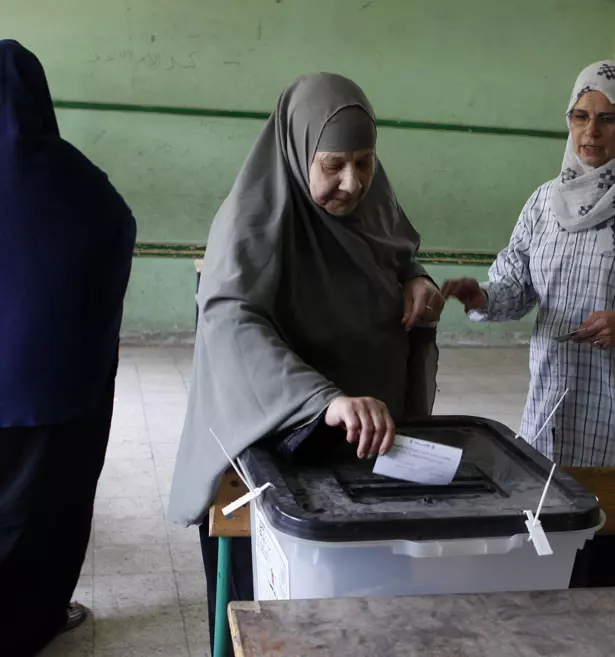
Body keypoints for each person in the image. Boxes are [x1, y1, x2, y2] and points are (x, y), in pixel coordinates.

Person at [166, 73, 443, 656]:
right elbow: (232, 322)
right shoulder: (251, 222)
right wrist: (322, 398)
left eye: (366, 162)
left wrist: (417, 278)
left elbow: (397, 251)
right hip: (277, 449)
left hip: (362, 448)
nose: (354, 182)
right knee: (274, 622)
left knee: (359, 620)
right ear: (297, 153)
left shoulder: (374, 202)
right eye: (333, 164)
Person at [441, 61, 615, 587]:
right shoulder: (546, 203)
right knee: (547, 573)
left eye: (607, 118)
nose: (590, 132)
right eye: (579, 116)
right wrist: (481, 294)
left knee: (612, 579)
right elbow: (515, 284)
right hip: (552, 412)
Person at [0, 41, 136, 656]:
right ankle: (31, 622)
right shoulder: (72, 175)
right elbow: (117, 228)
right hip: (54, 386)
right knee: (40, 513)